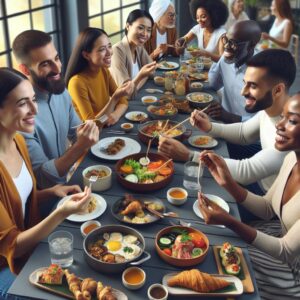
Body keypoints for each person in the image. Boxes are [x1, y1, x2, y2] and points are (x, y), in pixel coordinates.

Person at [0, 67, 92, 299]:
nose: (34, 109)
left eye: (33, 99)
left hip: (30, 246)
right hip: (7, 268)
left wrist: (52, 192)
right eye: (23, 103)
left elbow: (18, 201)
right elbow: (12, 245)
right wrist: (61, 212)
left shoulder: (18, 141)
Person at [198, 93, 300, 299]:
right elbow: (267, 209)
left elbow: (286, 251)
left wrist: (229, 221)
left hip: (291, 273)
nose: (279, 125)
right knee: (211, 247)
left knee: (213, 271)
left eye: (292, 121)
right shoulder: (291, 158)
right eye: (282, 117)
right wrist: (228, 184)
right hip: (275, 238)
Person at [159, 49, 296, 193]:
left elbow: (245, 172)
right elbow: (244, 133)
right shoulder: (271, 108)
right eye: (245, 83)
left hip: (266, 199)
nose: (243, 92)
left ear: (278, 90)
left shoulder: (292, 132)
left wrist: (189, 155)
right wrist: (210, 127)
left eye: (253, 86)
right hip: (259, 179)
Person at [12, 30, 99, 189]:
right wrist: (80, 145)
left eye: (57, 58)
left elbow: (76, 132)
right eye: (45, 64)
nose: (58, 68)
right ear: (25, 70)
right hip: (47, 201)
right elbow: (42, 178)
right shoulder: (22, 116)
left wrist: (86, 133)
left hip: (71, 180)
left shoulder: (61, 92)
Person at [65, 27, 134, 125]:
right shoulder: (76, 82)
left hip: (106, 128)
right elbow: (92, 124)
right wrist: (114, 99)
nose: (109, 52)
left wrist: (115, 115)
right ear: (86, 55)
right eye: (102, 49)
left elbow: (123, 102)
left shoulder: (104, 71)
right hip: (88, 137)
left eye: (109, 46)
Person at [207, 20, 261, 123]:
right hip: (223, 124)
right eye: (225, 40)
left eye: (234, 43)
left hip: (248, 135)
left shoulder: (263, 72)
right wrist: (219, 57)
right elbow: (214, 84)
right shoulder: (227, 58)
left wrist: (232, 118)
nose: (226, 46)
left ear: (251, 45)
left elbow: (265, 120)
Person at [110, 9, 157, 91]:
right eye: (140, 28)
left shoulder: (138, 47)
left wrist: (136, 82)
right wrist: (142, 76)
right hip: (121, 102)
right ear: (128, 26)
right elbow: (125, 92)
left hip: (137, 96)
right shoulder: (117, 51)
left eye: (149, 30)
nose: (145, 34)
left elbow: (152, 71)